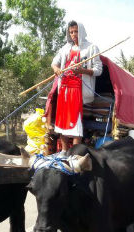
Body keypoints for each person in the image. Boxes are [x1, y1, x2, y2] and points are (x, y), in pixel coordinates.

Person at [51, 21, 102, 153]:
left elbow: (98, 70)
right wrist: (56, 69)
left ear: (82, 31)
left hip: (77, 89)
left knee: (76, 122)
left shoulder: (92, 48)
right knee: (62, 121)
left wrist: (83, 71)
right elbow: (54, 63)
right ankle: (63, 151)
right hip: (64, 89)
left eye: (76, 31)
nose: (73, 34)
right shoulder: (65, 48)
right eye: (71, 32)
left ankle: (74, 153)